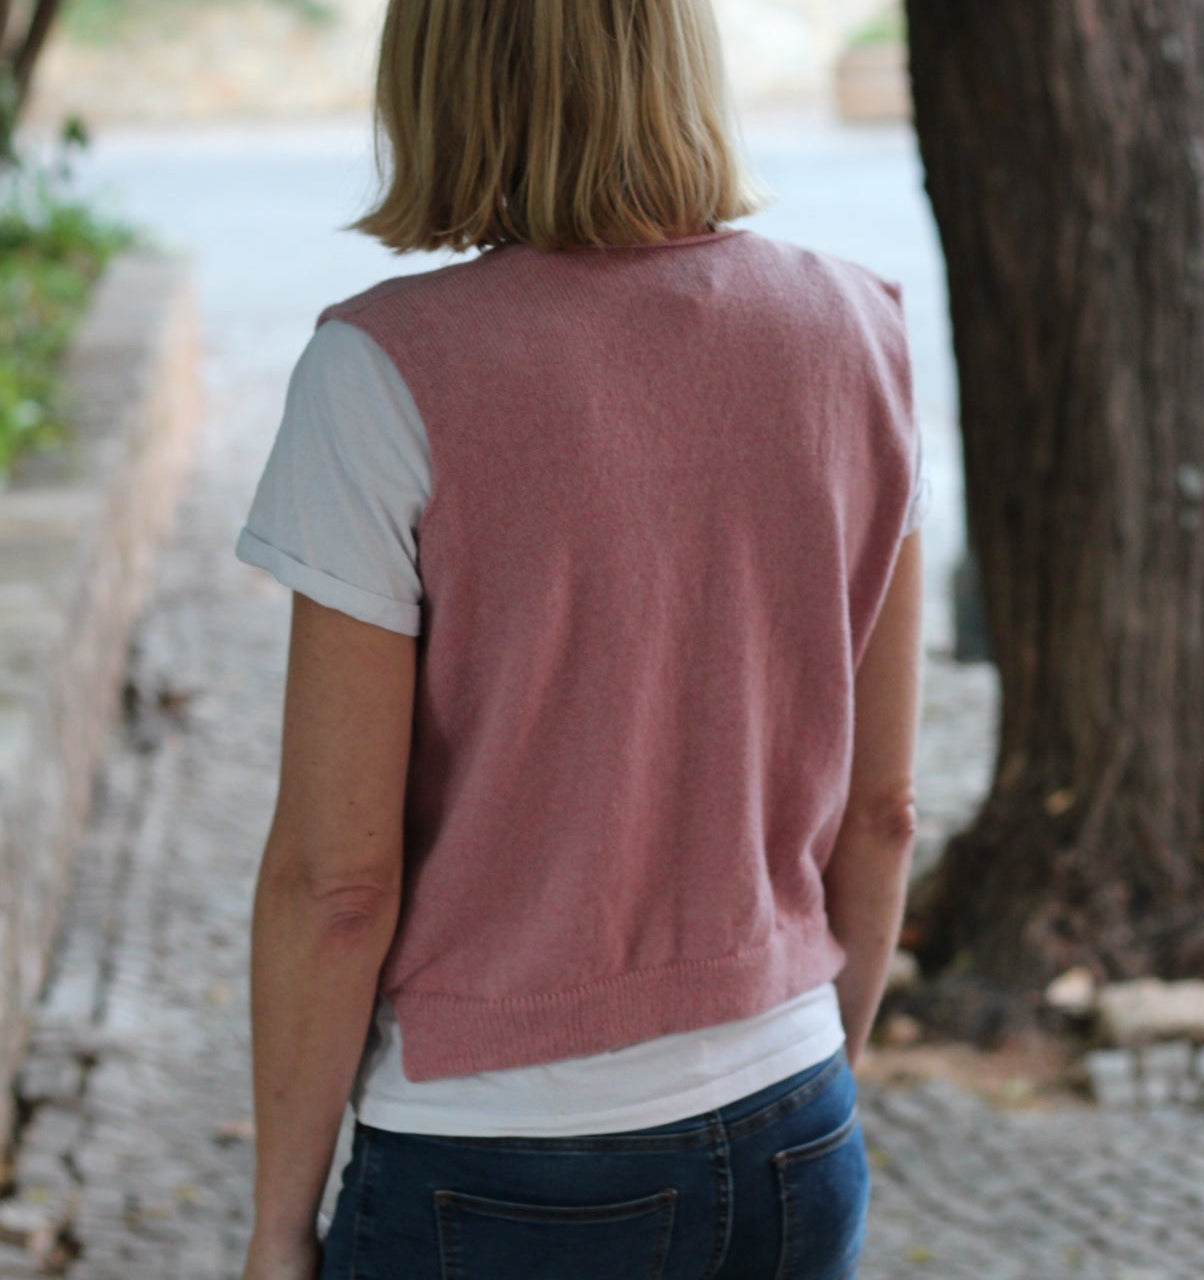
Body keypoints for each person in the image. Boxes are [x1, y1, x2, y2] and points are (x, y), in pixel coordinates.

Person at [233, 1, 931, 1277]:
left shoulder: (379, 372)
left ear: (438, 74)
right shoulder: (858, 331)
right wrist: (807, 1061)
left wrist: (279, 1229)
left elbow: (337, 883)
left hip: (490, 1160)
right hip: (791, 1114)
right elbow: (881, 809)